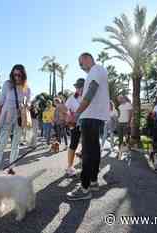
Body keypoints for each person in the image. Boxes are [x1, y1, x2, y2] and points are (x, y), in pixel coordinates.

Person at [67, 53, 109, 201]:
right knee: (94, 150)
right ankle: (93, 181)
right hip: (95, 116)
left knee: (87, 152)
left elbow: (91, 91)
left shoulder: (95, 70)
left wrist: (77, 113)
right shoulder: (98, 71)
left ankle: (84, 188)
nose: (80, 66)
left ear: (87, 59)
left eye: (80, 63)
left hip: (90, 116)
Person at [0, 64, 31, 172]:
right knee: (1, 145)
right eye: (14, 75)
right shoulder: (7, 84)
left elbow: (29, 103)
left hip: (19, 119)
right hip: (6, 118)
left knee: (15, 145)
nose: (16, 77)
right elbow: (0, 103)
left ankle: (11, 168)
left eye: (19, 75)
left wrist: (26, 105)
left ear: (23, 75)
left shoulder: (27, 89)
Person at [65, 78, 85, 177]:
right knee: (73, 144)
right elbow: (66, 109)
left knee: (88, 144)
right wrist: (69, 116)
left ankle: (87, 166)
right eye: (77, 87)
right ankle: (70, 167)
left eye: (80, 87)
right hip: (75, 124)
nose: (78, 89)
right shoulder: (72, 98)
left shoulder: (88, 97)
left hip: (87, 123)